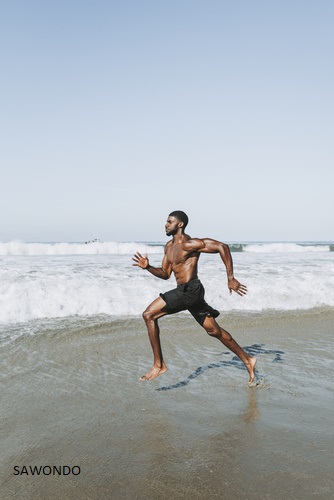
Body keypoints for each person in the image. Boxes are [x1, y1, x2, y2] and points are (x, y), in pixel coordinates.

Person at [132, 211, 256, 384]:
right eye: (166, 222)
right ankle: (248, 359)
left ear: (180, 224)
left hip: (191, 289)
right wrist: (148, 267)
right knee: (214, 331)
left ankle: (159, 365)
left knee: (148, 315)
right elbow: (165, 274)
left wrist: (230, 278)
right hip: (186, 292)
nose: (166, 224)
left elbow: (223, 247)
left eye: (169, 221)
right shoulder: (168, 247)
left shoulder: (191, 244)